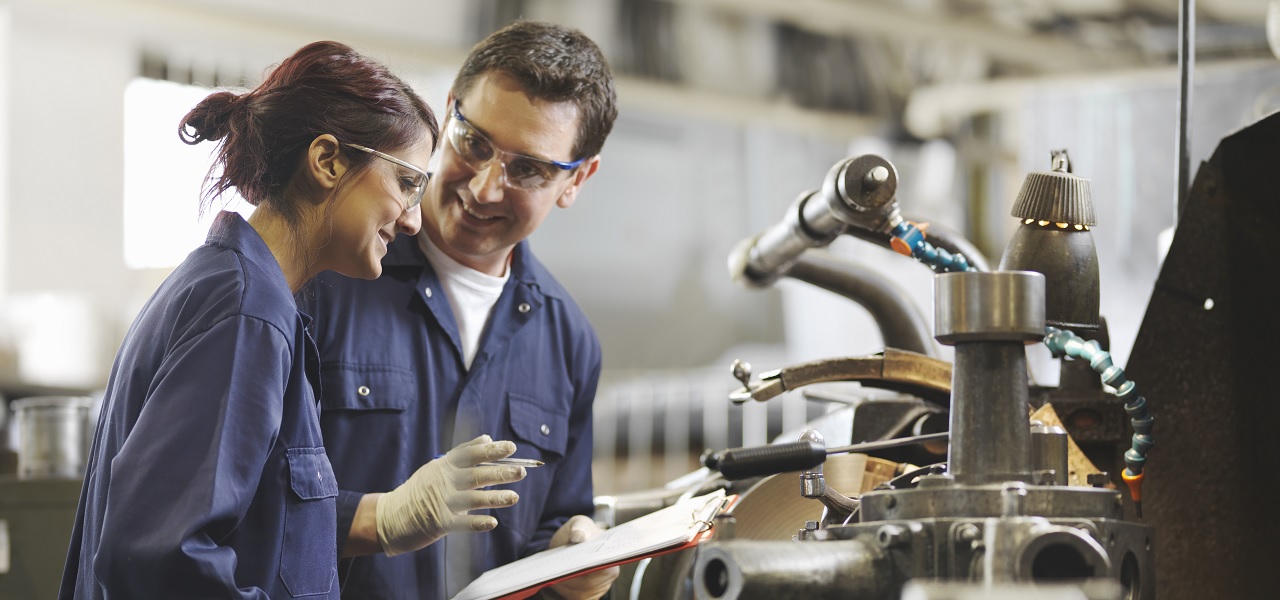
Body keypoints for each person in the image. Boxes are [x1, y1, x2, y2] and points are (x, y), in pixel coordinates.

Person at [59, 40, 523, 599]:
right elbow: (163, 561)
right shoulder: (244, 312)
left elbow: (257, 533)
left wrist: (383, 519)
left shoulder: (240, 293)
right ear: (327, 160)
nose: (412, 222)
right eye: (406, 183)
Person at [299, 20, 620, 600]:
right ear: (448, 112)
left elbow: (552, 523)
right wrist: (382, 518)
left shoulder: (570, 343)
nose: (484, 189)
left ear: (577, 180)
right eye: (474, 143)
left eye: (528, 169)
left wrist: (569, 551)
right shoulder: (329, 277)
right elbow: (247, 502)